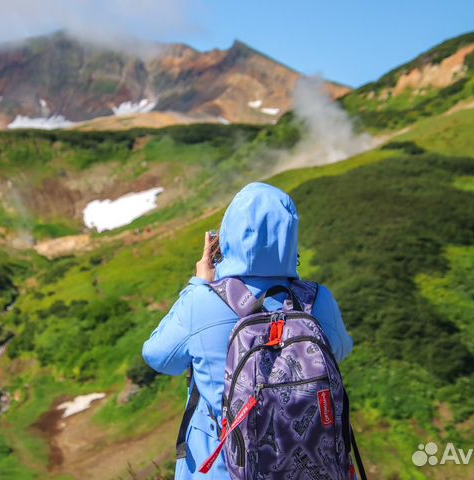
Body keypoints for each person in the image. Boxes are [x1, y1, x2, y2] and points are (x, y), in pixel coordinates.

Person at [142, 182, 353, 479]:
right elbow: (340, 351)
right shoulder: (318, 301)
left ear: (227, 235)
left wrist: (199, 283)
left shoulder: (203, 301)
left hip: (220, 469)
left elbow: (158, 357)